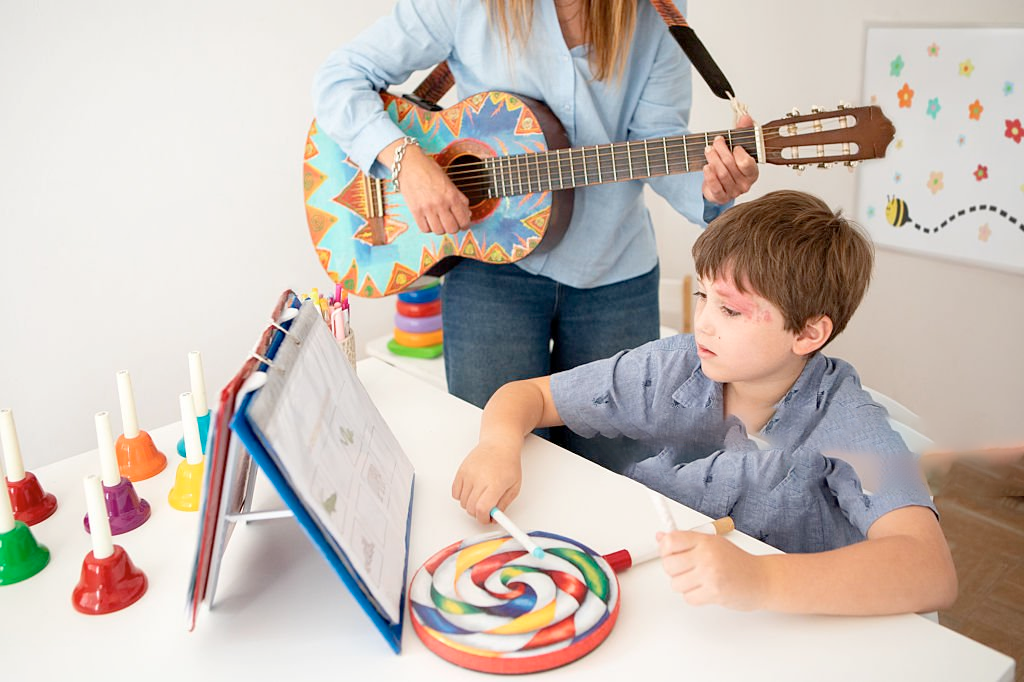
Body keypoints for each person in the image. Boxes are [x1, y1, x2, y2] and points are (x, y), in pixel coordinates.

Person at [451, 190, 958, 615]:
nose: (704, 324)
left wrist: (759, 578)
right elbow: (529, 395)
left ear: (808, 333)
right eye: (703, 298)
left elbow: (930, 571)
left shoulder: (846, 421)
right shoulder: (678, 364)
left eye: (731, 311)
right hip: (673, 599)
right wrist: (498, 444)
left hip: (785, 624)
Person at [312, 0, 759, 468]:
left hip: (614, 272)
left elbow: (654, 137)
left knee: (618, 469)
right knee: (499, 461)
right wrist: (405, 162)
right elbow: (339, 79)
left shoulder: (655, 9)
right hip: (489, 272)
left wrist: (711, 188)